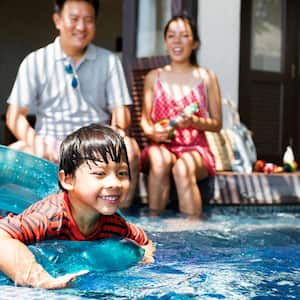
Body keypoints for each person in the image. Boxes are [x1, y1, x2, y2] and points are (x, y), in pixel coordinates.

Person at [5, 0, 140, 207]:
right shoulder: (36, 61)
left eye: (88, 20)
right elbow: (14, 116)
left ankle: (121, 222)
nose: (81, 27)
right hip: (48, 144)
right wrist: (35, 141)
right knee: (10, 157)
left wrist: (118, 132)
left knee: (129, 149)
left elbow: (120, 111)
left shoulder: (109, 61)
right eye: (74, 19)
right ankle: (21, 218)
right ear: (57, 20)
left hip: (94, 145)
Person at [0, 124, 155, 289]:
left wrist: (146, 259)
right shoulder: (51, 217)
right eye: (100, 173)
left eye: (122, 173)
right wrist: (39, 279)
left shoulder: (113, 223)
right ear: (68, 180)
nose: (114, 183)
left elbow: (142, 240)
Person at [140, 15, 222, 218]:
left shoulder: (206, 77)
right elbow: (144, 119)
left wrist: (195, 121)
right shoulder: (154, 77)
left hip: (195, 148)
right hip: (161, 146)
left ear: (194, 43)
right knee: (159, 162)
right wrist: (152, 132)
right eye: (171, 36)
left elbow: (217, 124)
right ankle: (152, 226)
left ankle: (192, 233)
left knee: (182, 169)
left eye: (184, 36)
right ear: (166, 41)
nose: (177, 41)